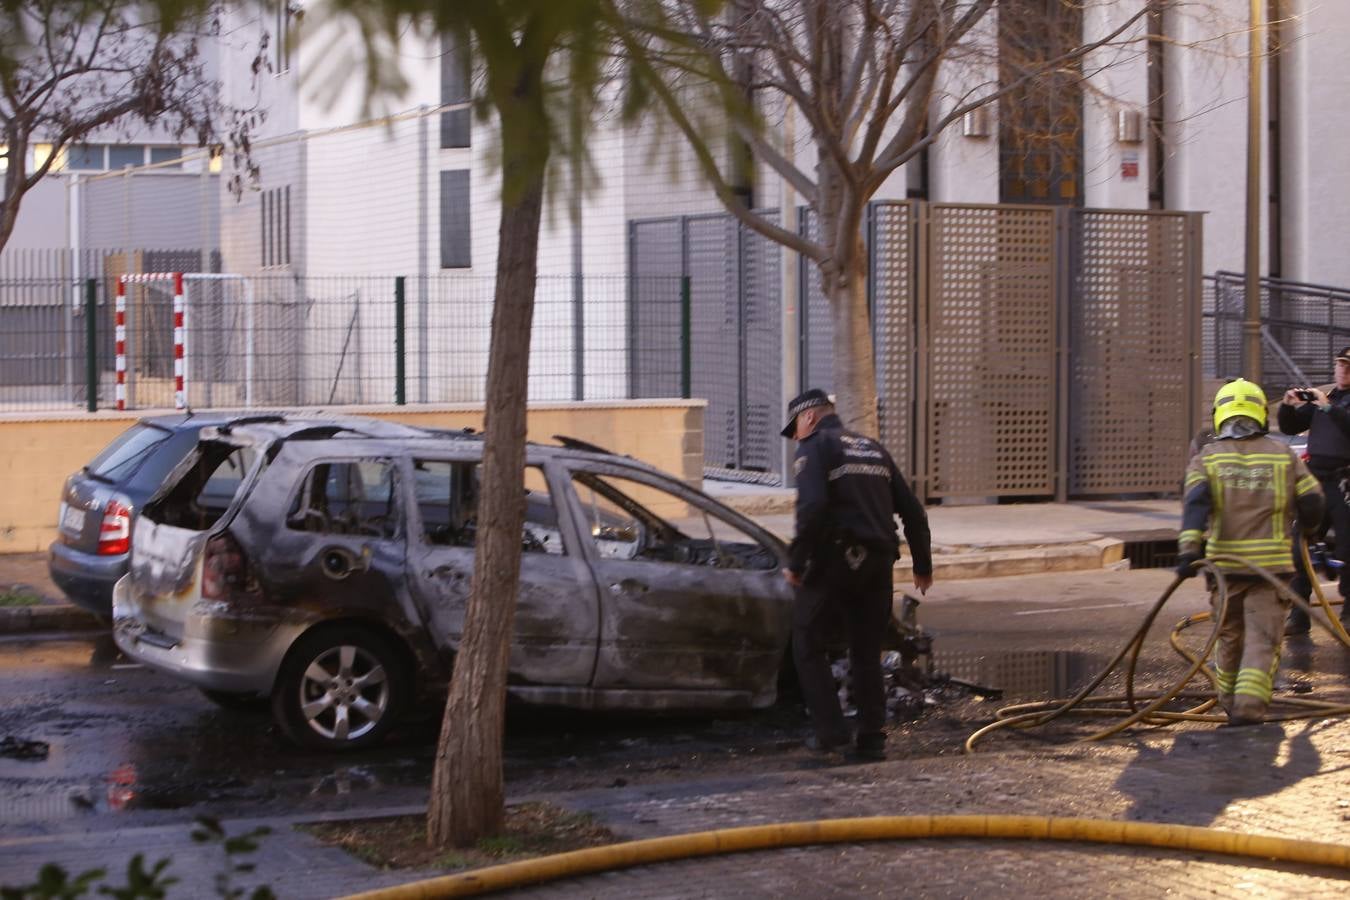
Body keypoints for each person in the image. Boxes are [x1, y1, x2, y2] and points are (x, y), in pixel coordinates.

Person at [781, 388, 933, 761]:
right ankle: (871, 739)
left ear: (809, 418)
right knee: (866, 651)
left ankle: (831, 733)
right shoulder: (873, 448)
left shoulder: (815, 447)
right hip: (879, 562)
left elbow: (813, 508)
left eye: (795, 429)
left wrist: (796, 563)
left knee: (806, 640)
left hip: (835, 557)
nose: (795, 438)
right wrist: (922, 566)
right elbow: (913, 511)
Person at [1176, 378, 1323, 725]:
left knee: (1228, 636)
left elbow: (1194, 505)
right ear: (1259, 414)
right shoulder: (1282, 456)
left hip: (1224, 571)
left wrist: (1188, 552)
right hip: (1271, 570)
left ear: (1220, 415)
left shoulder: (1207, 458)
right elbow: (1313, 501)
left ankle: (1229, 702)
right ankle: (1250, 708)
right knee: (1263, 638)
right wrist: (1310, 530)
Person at [1276, 346, 1350, 635]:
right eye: (1340, 364)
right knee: (1300, 546)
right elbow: (1289, 426)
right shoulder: (1327, 398)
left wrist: (1327, 407)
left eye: (1348, 365)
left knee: (1347, 549)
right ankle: (1299, 612)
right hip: (1316, 481)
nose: (1343, 370)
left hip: (1344, 484)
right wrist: (1288, 404)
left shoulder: (1330, 404)